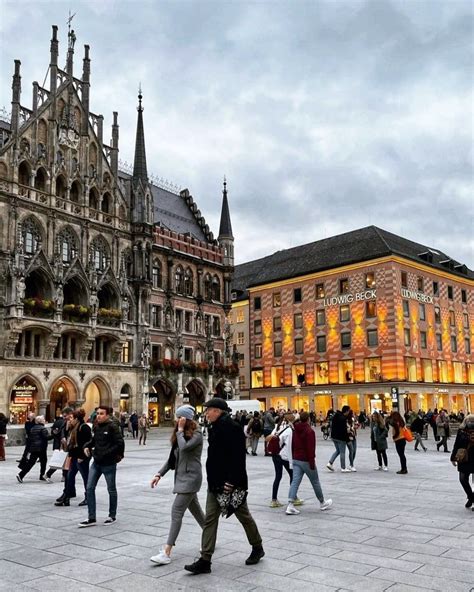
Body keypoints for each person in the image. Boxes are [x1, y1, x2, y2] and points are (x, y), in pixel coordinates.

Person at [184, 397, 264, 575]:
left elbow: (238, 457)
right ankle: (205, 560)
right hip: (215, 483)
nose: (206, 413)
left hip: (230, 484)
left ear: (217, 411)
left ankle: (257, 547)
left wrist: (232, 481)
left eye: (208, 410)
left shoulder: (232, 428)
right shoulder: (214, 428)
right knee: (210, 519)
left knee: (244, 516)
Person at [149, 405, 205, 565]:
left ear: (185, 419)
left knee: (176, 511)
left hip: (191, 478)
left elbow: (185, 448)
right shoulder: (179, 435)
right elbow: (172, 459)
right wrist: (159, 474)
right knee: (198, 513)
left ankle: (166, 552)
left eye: (179, 417)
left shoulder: (197, 434)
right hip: (182, 478)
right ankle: (210, 536)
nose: (176, 420)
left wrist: (180, 431)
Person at [78, 406, 124, 527]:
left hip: (108, 463)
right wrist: (86, 446)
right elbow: (93, 440)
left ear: (108, 415)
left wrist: (108, 453)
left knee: (111, 489)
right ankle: (91, 517)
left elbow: (119, 444)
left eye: (101, 414)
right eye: (97, 413)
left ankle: (112, 515)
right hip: (96, 462)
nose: (98, 416)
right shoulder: (97, 426)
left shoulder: (113, 427)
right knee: (89, 488)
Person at [286, 412, 332, 515]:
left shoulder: (295, 429)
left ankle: (290, 505)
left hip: (296, 459)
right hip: (306, 460)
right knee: (315, 481)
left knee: (295, 482)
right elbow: (310, 448)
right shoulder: (309, 431)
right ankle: (322, 502)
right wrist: (311, 462)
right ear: (308, 419)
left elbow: (293, 444)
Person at [55, 409, 92, 507]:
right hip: (74, 456)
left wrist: (83, 457)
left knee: (85, 477)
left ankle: (88, 497)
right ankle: (66, 498)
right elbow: (70, 443)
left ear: (77, 419)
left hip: (81, 457)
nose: (69, 420)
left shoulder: (84, 427)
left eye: (71, 418)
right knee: (70, 476)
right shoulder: (72, 428)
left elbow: (88, 444)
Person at [269, 413, 299, 508]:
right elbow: (289, 447)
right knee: (292, 476)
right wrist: (291, 462)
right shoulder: (289, 430)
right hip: (284, 456)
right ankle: (293, 497)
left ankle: (274, 500)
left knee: (278, 476)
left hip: (275, 455)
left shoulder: (277, 428)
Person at [450, 414, 474, 510]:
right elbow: (456, 444)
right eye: (469, 421)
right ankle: (471, 497)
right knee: (463, 479)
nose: (471, 423)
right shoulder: (461, 431)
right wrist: (453, 457)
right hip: (464, 458)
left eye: (473, 421)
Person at [16, 416, 50, 482]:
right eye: (43, 419)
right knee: (43, 461)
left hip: (34, 448)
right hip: (41, 448)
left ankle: (21, 474)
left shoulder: (33, 428)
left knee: (31, 463)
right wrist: (54, 435)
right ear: (41, 421)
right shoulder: (43, 428)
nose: (44, 420)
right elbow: (46, 437)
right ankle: (42, 475)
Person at [45, 407, 73, 482]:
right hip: (62, 445)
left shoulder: (69, 422)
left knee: (63, 461)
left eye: (65, 416)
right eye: (64, 416)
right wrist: (62, 437)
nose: (64, 417)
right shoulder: (64, 422)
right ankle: (50, 474)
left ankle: (63, 476)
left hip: (64, 445)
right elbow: (61, 432)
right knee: (61, 461)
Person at [327, 405, 351, 472]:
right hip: (341, 438)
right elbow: (344, 430)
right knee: (342, 452)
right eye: (349, 411)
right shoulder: (343, 418)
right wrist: (347, 440)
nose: (349, 412)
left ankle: (330, 463)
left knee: (338, 451)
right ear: (346, 411)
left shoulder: (336, 415)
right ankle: (343, 467)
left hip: (334, 436)